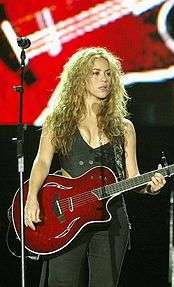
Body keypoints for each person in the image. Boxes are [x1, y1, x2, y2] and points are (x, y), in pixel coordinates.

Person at [24, 47, 166, 287]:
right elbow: (42, 161)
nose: (104, 80)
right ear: (80, 78)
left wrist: (151, 189)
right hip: (67, 217)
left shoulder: (124, 128)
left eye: (108, 74)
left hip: (112, 218)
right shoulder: (57, 121)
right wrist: (32, 197)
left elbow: (133, 178)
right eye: (96, 73)